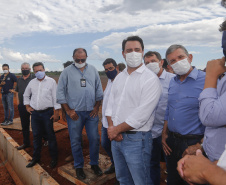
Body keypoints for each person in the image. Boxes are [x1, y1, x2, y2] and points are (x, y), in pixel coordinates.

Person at [105, 36, 162, 185]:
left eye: (137, 50)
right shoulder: (119, 78)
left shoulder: (150, 79)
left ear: (142, 52)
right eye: (129, 50)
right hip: (116, 138)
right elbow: (111, 106)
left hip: (138, 140)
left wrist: (116, 129)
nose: (133, 53)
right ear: (123, 54)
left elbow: (141, 115)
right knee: (123, 179)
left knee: (141, 181)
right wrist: (112, 127)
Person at [162, 44, 206, 185]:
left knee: (193, 180)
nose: (177, 62)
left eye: (180, 57)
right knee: (173, 179)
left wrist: (200, 144)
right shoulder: (173, 82)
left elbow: (217, 118)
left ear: (190, 57)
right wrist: (164, 134)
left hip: (193, 142)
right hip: (172, 141)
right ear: (169, 66)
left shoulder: (206, 80)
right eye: (172, 61)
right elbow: (170, 108)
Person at [57, 48, 103, 180]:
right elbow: (60, 92)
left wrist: (96, 107)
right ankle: (78, 166)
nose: (80, 61)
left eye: (83, 59)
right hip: (75, 114)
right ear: (73, 58)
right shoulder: (66, 72)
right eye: (77, 60)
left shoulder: (93, 70)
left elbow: (99, 89)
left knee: (94, 138)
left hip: (91, 113)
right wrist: (68, 110)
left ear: (87, 57)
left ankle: (94, 164)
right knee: (76, 140)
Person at [144, 51, 175, 185]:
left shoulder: (172, 80)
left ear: (161, 62)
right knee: (152, 164)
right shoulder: (144, 81)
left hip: (168, 132)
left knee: (171, 165)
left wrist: (166, 131)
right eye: (146, 63)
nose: (150, 64)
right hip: (151, 131)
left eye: (153, 61)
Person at [198, 20, 226, 162]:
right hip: (214, 157)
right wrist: (203, 145)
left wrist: (210, 76)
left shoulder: (213, 77)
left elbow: (209, 116)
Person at [24, 62, 60, 168]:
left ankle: (54, 158)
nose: (38, 72)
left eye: (40, 70)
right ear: (33, 72)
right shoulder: (32, 82)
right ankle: (36, 158)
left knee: (50, 135)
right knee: (36, 136)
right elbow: (26, 95)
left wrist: (57, 113)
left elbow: (55, 98)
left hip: (47, 113)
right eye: (36, 71)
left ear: (44, 70)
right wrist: (27, 106)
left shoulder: (51, 82)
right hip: (35, 114)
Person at [102, 58, 119, 174]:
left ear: (117, 68)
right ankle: (115, 164)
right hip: (105, 122)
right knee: (105, 144)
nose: (109, 71)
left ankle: (120, 172)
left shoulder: (122, 81)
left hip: (116, 123)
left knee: (117, 148)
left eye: (111, 68)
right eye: (106, 70)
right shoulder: (109, 81)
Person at [15, 62, 35, 150]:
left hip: (33, 106)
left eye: (26, 68)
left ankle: (45, 139)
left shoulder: (34, 78)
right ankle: (26, 143)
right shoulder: (19, 79)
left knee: (36, 125)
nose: (24, 70)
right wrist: (19, 103)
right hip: (23, 106)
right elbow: (17, 91)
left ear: (30, 69)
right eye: (22, 68)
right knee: (24, 125)